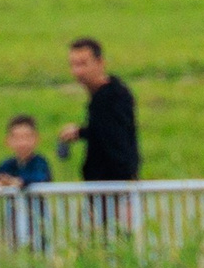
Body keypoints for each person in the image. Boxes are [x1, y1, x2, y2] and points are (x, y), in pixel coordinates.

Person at [55, 37, 140, 184]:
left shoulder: (111, 97)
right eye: (73, 65)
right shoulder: (104, 95)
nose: (78, 71)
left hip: (113, 187)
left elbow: (113, 137)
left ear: (100, 62)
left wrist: (81, 132)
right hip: (103, 187)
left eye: (83, 64)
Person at [0, 115, 55, 251]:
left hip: (38, 223)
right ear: (8, 141)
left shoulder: (40, 162)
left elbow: (40, 177)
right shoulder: (10, 164)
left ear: (36, 139)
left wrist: (17, 182)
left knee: (39, 254)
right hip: (15, 223)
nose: (23, 143)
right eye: (17, 138)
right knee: (16, 251)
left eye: (27, 137)